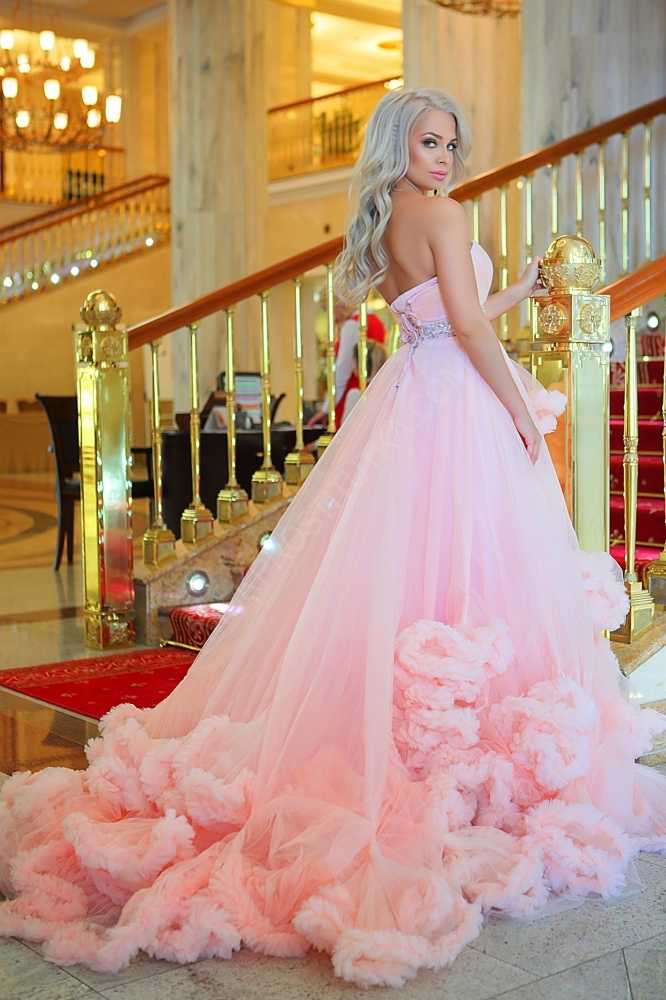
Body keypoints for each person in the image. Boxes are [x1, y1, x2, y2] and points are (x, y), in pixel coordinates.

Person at [1, 88, 665, 990]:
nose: (445, 156)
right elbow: (469, 327)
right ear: (401, 144)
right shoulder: (444, 213)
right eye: (430, 142)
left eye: (452, 143)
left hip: (413, 394)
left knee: (409, 569)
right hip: (460, 402)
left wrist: (523, 292)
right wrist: (519, 411)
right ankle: (445, 752)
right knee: (470, 566)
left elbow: (447, 314)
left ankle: (420, 739)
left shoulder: (389, 217)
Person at [306, 301, 387, 428]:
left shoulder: (352, 325)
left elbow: (342, 371)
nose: (332, 317)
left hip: (352, 393)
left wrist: (327, 408)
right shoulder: (376, 321)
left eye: (329, 310)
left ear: (340, 305)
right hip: (372, 389)